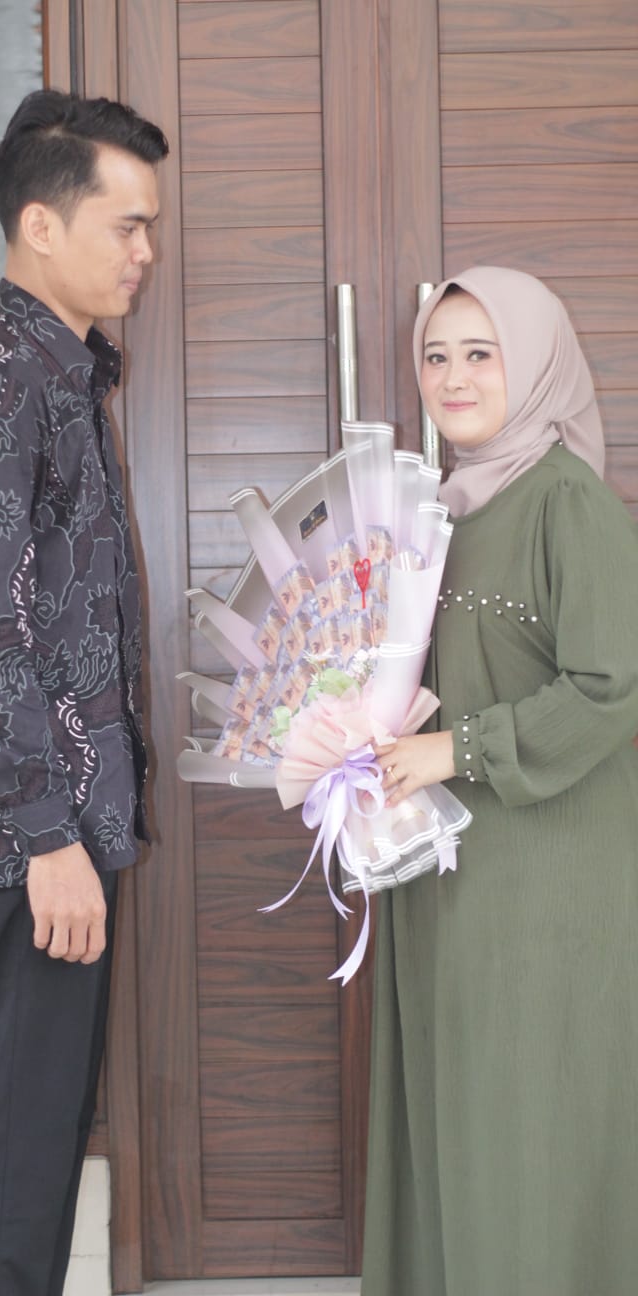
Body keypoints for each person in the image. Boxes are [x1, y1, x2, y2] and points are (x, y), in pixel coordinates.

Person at [0, 89, 168, 1295]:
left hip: (58, 835)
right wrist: (52, 840)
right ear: (41, 226)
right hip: (27, 843)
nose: (146, 249)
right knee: (13, 1160)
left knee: (40, 1143)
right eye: (127, 224)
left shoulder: (63, 378)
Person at [363, 266, 638, 1295]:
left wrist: (457, 750)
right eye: (436, 356)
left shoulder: (566, 500)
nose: (454, 378)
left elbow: (613, 687)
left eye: (482, 354)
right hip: (448, 867)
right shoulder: (439, 510)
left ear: (536, 362)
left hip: (546, 877)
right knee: (462, 1106)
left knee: (529, 1119)